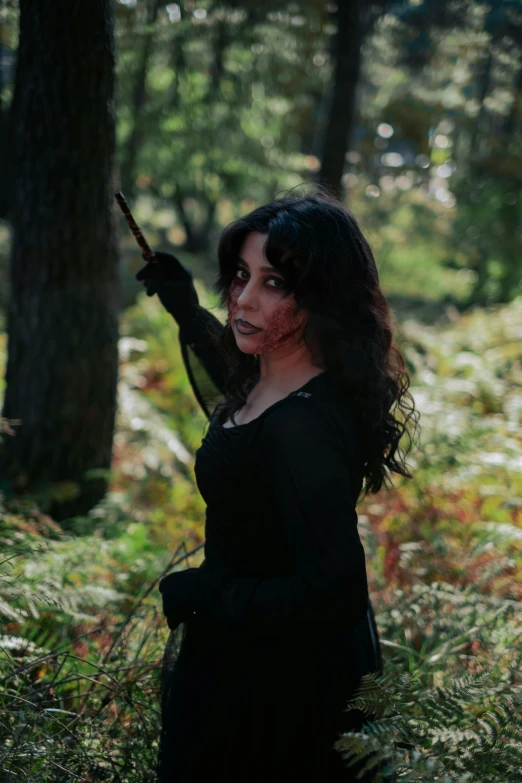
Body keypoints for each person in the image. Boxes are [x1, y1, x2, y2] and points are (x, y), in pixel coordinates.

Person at [135, 191, 418, 782]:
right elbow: (237, 406)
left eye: (274, 284)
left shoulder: (302, 426)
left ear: (320, 296)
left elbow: (333, 594)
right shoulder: (272, 379)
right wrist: (187, 308)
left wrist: (212, 591)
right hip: (248, 656)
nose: (242, 298)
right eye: (241, 275)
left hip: (275, 688)